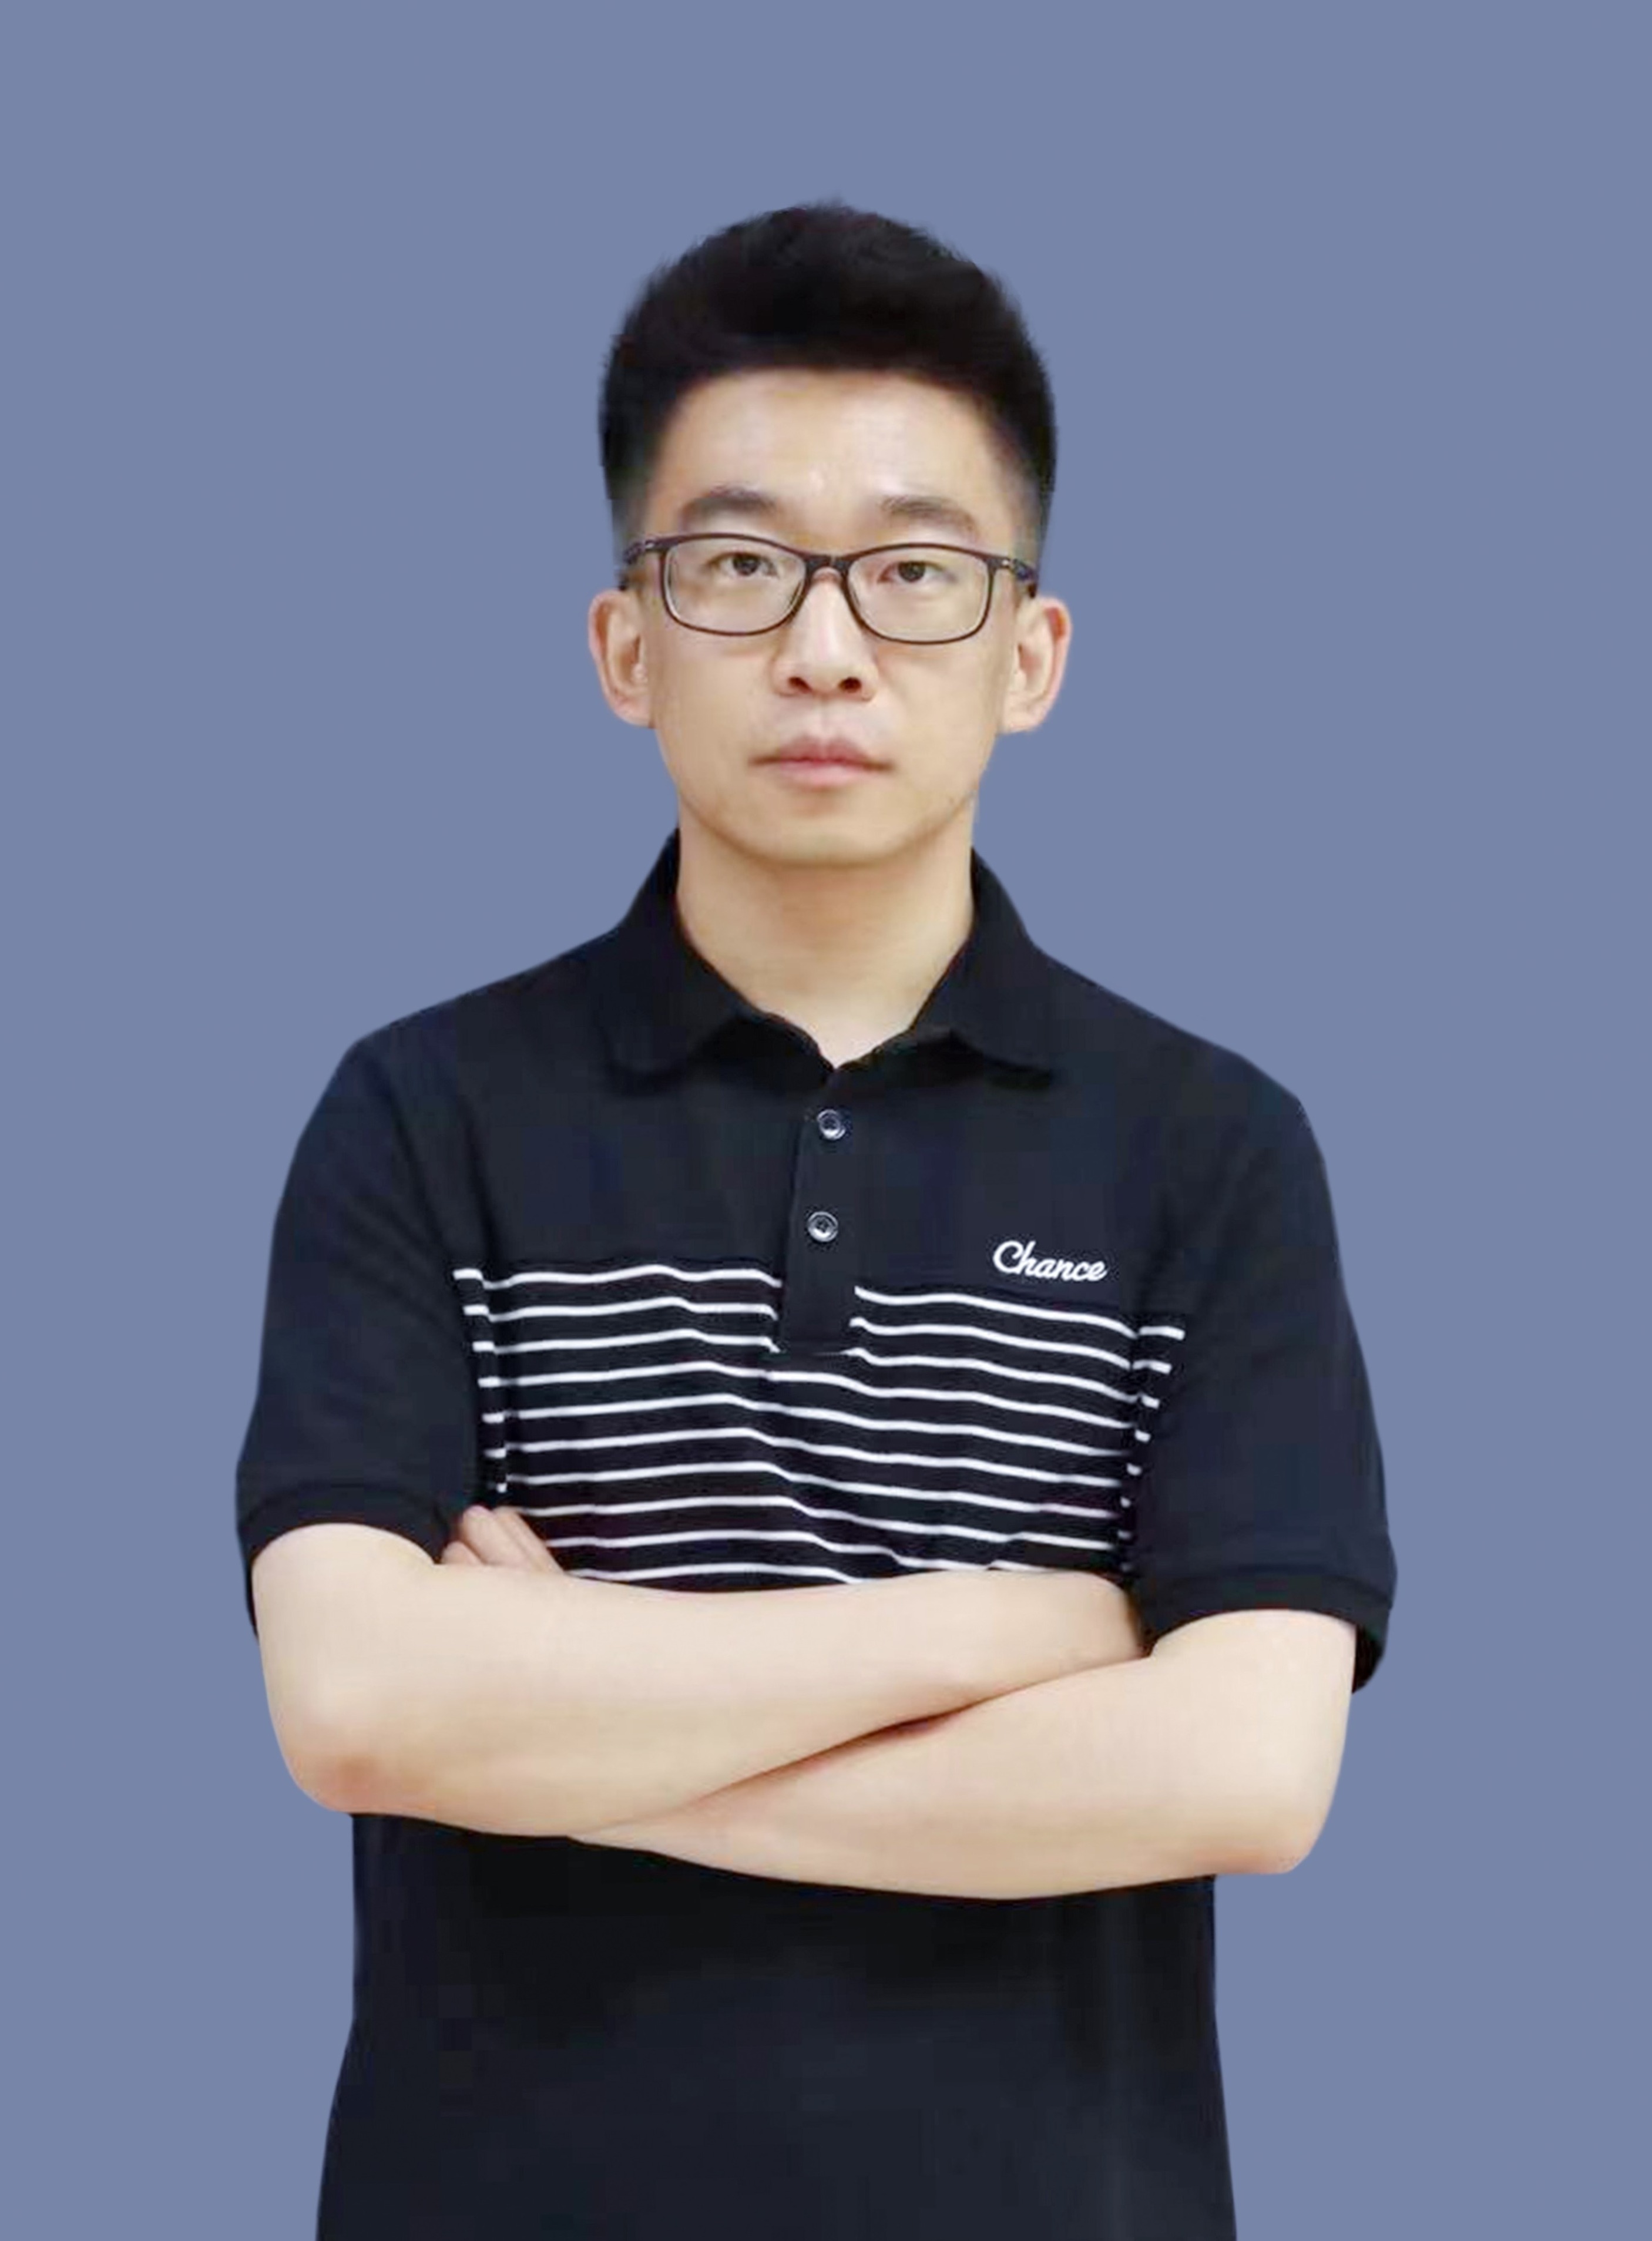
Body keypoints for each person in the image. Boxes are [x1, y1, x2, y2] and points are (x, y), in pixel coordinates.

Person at [236, 199, 1397, 2240]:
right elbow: (360, 1709)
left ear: (1030, 656)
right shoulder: (423, 1112)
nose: (826, 646)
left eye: (916, 571)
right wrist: (1008, 1629)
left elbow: (1239, 1774)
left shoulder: (1209, 1146)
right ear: (626, 644)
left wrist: (572, 1711)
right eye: (740, 565)